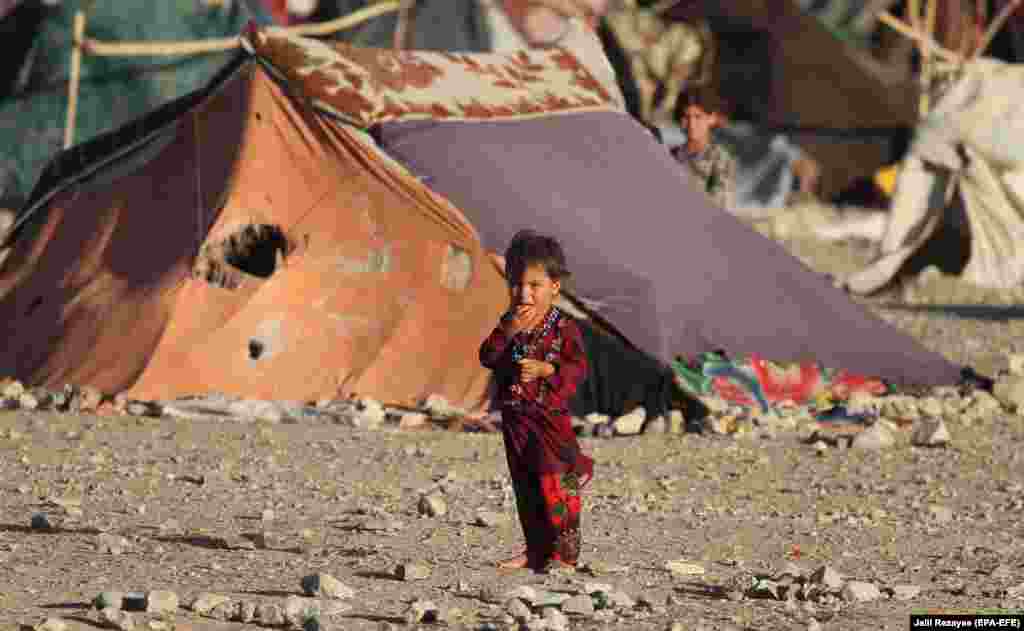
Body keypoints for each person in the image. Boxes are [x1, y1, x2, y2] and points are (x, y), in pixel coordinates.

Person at [479, 230, 593, 573]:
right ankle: (536, 551)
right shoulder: (509, 322)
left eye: (535, 285)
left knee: (557, 485)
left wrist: (548, 368)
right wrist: (508, 333)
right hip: (516, 419)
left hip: (549, 420)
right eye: (516, 284)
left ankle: (566, 556)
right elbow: (487, 356)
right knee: (526, 487)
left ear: (555, 286)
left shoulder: (565, 327)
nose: (524, 293)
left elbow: (578, 369)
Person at [670, 87, 737, 209]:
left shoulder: (720, 160)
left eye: (698, 117)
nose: (691, 124)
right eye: (686, 117)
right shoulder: (670, 155)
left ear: (712, 118)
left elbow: (720, 207)